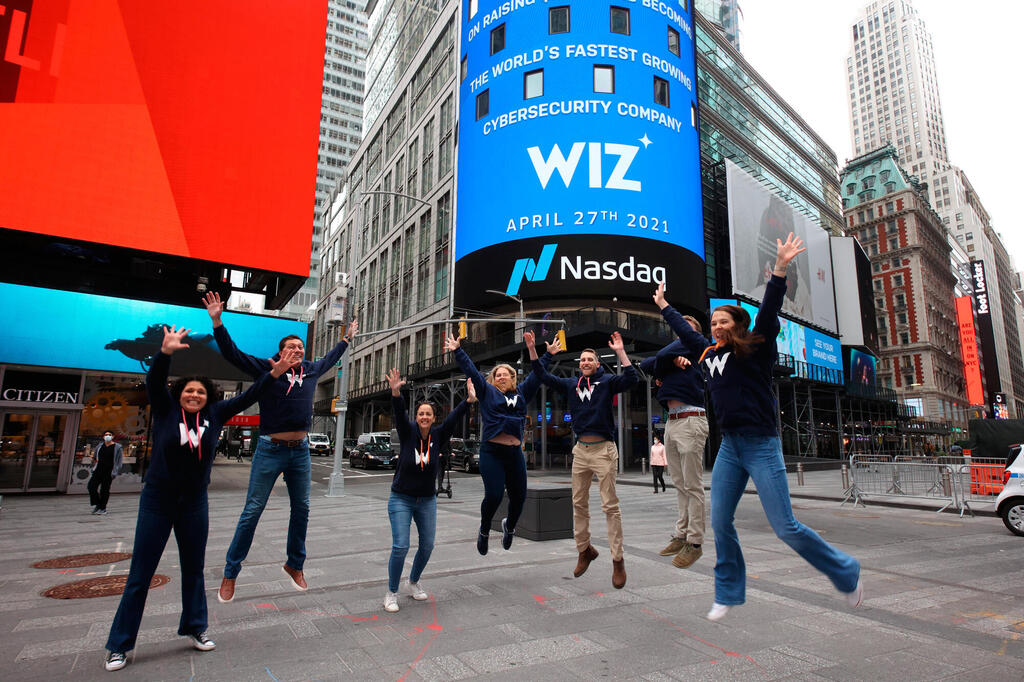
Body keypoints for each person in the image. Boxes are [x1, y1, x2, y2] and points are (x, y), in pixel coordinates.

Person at [656, 234, 862, 621]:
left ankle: (845, 572)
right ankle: (729, 592)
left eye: (723, 322)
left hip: (762, 445)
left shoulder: (755, 348)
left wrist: (780, 270)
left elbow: (768, 310)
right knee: (720, 522)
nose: (716, 327)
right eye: (713, 322)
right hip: (730, 447)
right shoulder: (706, 353)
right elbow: (687, 334)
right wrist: (664, 305)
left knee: (785, 527)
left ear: (738, 325)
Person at [103, 326, 296, 672]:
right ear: (180, 394)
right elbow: (154, 383)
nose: (194, 395)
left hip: (194, 504)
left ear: (209, 397)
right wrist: (164, 353)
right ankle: (119, 645)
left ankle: (195, 628)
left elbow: (248, 397)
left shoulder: (215, 416)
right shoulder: (165, 411)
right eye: (189, 391)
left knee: (193, 570)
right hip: (157, 502)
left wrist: (274, 373)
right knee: (140, 575)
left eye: (200, 392)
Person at [202, 291, 357, 602]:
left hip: (300, 451)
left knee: (302, 508)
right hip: (270, 449)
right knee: (252, 510)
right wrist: (218, 322)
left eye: (300, 347)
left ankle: (294, 564)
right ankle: (231, 571)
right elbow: (233, 354)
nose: (297, 351)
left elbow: (330, 358)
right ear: (280, 352)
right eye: (291, 348)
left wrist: (346, 339)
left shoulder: (311, 370)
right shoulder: (267, 368)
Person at [534, 332, 637, 589]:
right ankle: (584, 550)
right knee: (578, 504)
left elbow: (632, 379)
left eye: (590, 359)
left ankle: (618, 560)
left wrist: (621, 352)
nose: (585, 362)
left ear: (598, 364)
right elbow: (542, 376)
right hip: (581, 450)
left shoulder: (607, 381)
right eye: (582, 359)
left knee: (610, 507)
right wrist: (538, 353)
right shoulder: (572, 384)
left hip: (604, 450)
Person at [443, 331, 555, 555]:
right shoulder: (487, 392)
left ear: (513, 378)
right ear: (493, 380)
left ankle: (509, 527)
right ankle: (484, 530)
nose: (501, 377)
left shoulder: (522, 393)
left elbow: (537, 375)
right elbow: (472, 372)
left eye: (505, 375)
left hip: (514, 454)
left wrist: (548, 355)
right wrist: (458, 350)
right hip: (492, 452)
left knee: (519, 497)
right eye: (497, 375)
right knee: (494, 495)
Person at [383, 371, 476, 612]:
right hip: (401, 498)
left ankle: (412, 582)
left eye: (428, 414)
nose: (424, 417)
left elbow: (455, 418)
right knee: (401, 546)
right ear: (417, 417)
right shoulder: (407, 432)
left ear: (434, 418)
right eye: (421, 414)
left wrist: (468, 401)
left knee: (428, 546)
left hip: (426, 500)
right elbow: (399, 413)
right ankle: (391, 592)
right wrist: (396, 392)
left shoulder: (438, 434)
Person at [642, 303, 710, 570]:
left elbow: (657, 356)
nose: (681, 335)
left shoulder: (698, 352)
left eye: (687, 330)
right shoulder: (674, 357)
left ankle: (695, 542)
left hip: (691, 419)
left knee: (693, 485)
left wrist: (667, 358)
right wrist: (670, 361)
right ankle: (681, 535)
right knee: (680, 484)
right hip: (672, 422)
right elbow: (649, 363)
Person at [88, 431, 123, 515]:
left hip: (109, 472)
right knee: (91, 487)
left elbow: (119, 461)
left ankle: (103, 508)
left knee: (104, 490)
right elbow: (95, 456)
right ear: (103, 436)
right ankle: (98, 504)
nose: (107, 436)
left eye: (109, 435)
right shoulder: (100, 446)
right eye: (106, 435)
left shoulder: (117, 447)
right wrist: (93, 464)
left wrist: (115, 471)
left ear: (113, 436)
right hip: (98, 470)